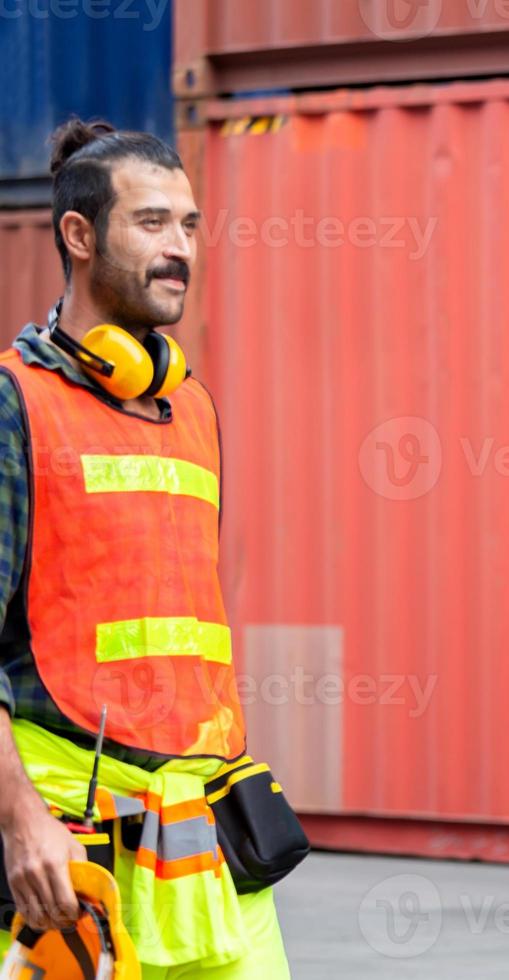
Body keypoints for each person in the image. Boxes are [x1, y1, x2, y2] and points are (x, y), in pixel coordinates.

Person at [0, 119, 299, 977]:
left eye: (190, 226)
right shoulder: (16, 405)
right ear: (80, 235)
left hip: (207, 836)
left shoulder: (193, 407)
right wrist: (22, 823)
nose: (181, 249)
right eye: (153, 223)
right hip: (72, 853)